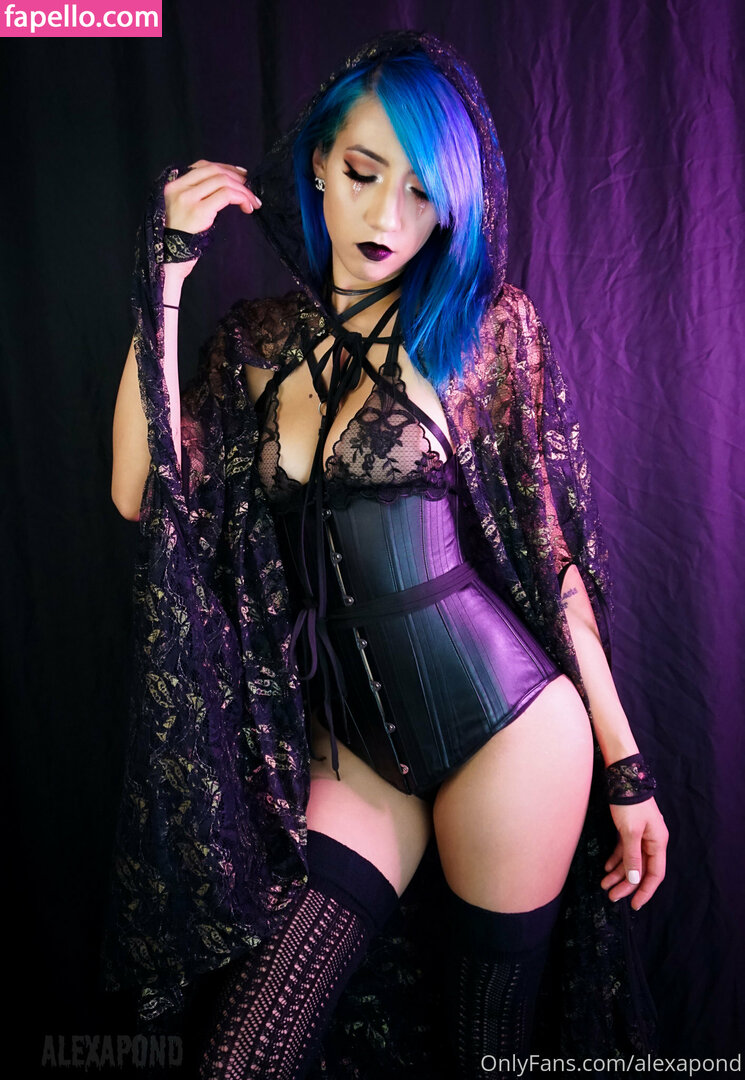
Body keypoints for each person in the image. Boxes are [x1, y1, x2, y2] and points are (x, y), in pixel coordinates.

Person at [106, 31, 668, 1080]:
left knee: (484, 1051)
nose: (388, 219)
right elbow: (142, 493)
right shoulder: (252, 344)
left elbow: (552, 561)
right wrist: (165, 277)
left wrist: (626, 769)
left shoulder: (486, 330)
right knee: (244, 1056)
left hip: (509, 731)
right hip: (353, 752)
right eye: (364, 174)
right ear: (319, 162)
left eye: (421, 193)